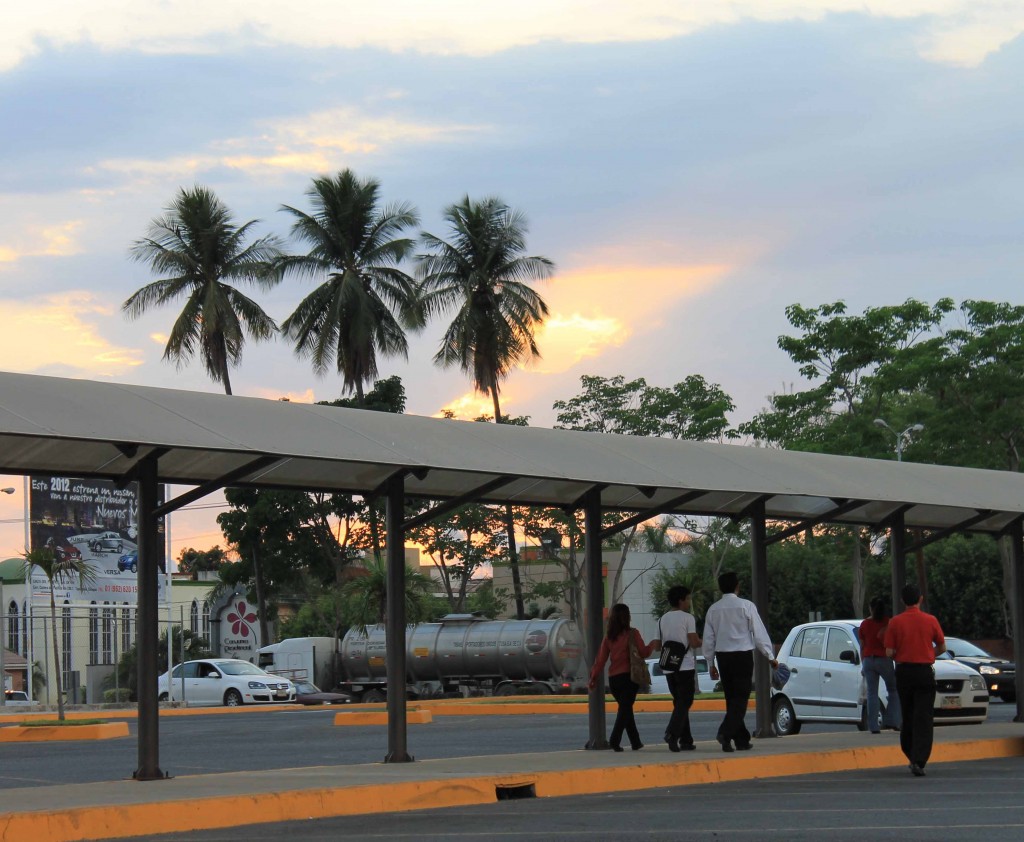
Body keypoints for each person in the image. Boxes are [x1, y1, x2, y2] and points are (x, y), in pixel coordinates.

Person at [702, 571, 777, 752]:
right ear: (737, 586)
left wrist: (710, 662)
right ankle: (725, 733)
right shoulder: (746, 606)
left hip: (723, 657)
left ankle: (740, 740)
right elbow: (758, 633)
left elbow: (709, 638)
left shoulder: (713, 609)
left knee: (731, 698)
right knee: (740, 700)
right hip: (742, 656)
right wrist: (770, 656)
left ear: (720, 588)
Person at [885, 583, 946, 777]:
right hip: (924, 672)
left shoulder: (895, 622)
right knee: (924, 716)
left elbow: (889, 652)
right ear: (920, 599)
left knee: (908, 714)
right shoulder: (930, 620)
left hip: (904, 672)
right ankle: (920, 758)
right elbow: (942, 647)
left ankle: (910, 753)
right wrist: (929, 654)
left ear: (903, 600)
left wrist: (903, 656)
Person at [588, 603, 659, 751]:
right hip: (629, 678)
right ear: (627, 617)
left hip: (614, 679)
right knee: (625, 709)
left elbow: (600, 660)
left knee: (625, 709)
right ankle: (615, 740)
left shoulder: (609, 637)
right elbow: (643, 652)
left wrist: (593, 677)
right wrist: (652, 644)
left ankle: (636, 741)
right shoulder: (633, 633)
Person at [659, 585, 702, 752]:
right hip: (685, 666)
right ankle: (672, 733)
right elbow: (693, 642)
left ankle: (686, 740)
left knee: (679, 703)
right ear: (681, 600)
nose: (689, 602)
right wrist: (703, 641)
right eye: (688, 599)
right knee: (686, 701)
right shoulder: (688, 618)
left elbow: (657, 644)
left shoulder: (662, 619)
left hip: (669, 667)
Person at [860, 595, 901, 734]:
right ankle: (893, 721)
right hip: (883, 659)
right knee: (893, 690)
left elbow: (862, 645)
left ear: (871, 609)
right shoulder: (888, 623)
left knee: (872, 693)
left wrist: (863, 663)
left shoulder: (864, 624)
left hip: (868, 660)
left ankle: (873, 726)